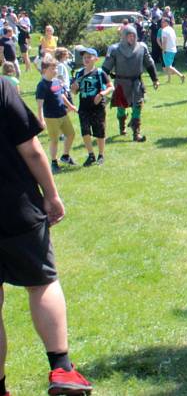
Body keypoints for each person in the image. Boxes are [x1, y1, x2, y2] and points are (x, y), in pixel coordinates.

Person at [0, 77, 94, 396]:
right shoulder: (1, 87)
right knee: (41, 283)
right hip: (15, 207)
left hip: (14, 207)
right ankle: (62, 369)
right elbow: (31, 149)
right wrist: (52, 194)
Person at [102, 25, 159, 142]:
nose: (132, 38)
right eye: (129, 36)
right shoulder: (115, 49)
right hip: (121, 83)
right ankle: (122, 126)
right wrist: (101, 83)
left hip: (136, 82)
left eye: (133, 36)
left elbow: (149, 64)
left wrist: (155, 79)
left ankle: (136, 133)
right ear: (124, 36)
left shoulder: (142, 48)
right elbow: (106, 68)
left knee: (137, 106)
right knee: (121, 107)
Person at [71, 48, 113, 166]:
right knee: (85, 131)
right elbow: (75, 92)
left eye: (89, 57)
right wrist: (73, 88)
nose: (86, 59)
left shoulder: (100, 72)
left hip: (98, 106)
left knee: (100, 131)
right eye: (84, 57)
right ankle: (91, 155)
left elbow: (111, 87)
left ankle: (101, 155)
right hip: (84, 107)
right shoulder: (79, 73)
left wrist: (101, 94)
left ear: (96, 59)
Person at [35, 55, 78, 174]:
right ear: (44, 70)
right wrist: (41, 119)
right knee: (54, 140)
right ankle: (54, 162)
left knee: (71, 134)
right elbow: (40, 105)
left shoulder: (56, 81)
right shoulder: (42, 85)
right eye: (52, 69)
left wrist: (70, 106)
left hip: (62, 114)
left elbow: (62, 96)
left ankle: (65, 156)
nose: (55, 71)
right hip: (51, 117)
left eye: (56, 68)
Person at [157, 18, 185, 84]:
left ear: (166, 22)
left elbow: (164, 41)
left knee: (168, 66)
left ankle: (181, 75)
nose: (161, 23)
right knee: (169, 65)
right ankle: (169, 80)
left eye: (163, 22)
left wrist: (163, 50)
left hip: (167, 50)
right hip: (173, 49)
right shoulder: (171, 29)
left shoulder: (164, 30)